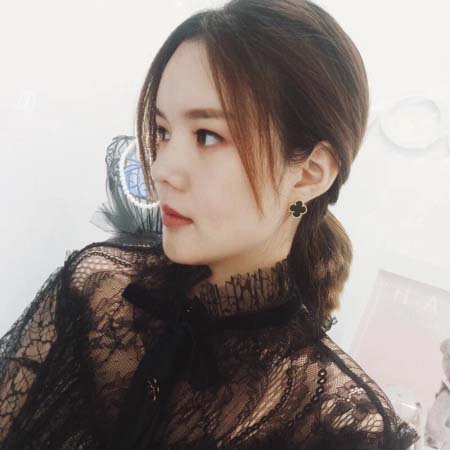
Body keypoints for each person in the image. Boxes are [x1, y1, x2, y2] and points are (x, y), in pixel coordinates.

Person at [0, 0, 421, 449]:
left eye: (207, 136)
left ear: (309, 173)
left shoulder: (344, 423)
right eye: (163, 131)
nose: (162, 169)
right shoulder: (97, 289)